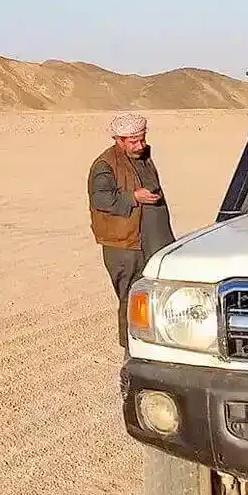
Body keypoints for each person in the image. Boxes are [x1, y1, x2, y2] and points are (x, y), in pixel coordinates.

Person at [87, 112, 176, 351]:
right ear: (118, 140)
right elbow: (100, 199)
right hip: (126, 246)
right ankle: (132, 352)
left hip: (152, 239)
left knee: (160, 295)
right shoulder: (105, 165)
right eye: (133, 141)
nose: (140, 145)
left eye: (142, 138)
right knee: (132, 298)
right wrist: (134, 197)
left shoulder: (142, 155)